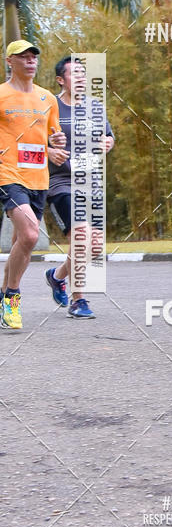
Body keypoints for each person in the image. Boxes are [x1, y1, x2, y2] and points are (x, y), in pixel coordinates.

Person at [0, 40, 66, 330]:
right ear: (9, 62)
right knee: (29, 235)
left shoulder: (47, 98)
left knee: (20, 243)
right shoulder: (1, 95)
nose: (30, 62)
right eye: (23, 57)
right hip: (8, 174)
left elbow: (52, 136)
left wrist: (56, 145)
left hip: (38, 177)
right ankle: (13, 298)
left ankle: (3, 295)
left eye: (33, 57)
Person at [45, 56, 114, 319]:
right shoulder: (49, 106)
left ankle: (57, 276)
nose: (82, 78)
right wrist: (50, 151)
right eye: (75, 74)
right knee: (81, 236)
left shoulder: (95, 106)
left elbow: (108, 135)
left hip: (91, 183)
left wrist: (108, 142)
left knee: (94, 247)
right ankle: (79, 300)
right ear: (61, 80)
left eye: (84, 74)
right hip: (60, 183)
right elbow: (33, 140)